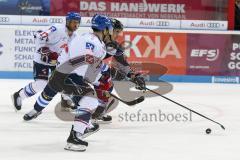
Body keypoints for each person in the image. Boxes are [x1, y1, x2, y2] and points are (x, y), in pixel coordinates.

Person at [23, 14, 113, 151]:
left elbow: (88, 68)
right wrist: (103, 68)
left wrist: (98, 81)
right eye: (109, 29)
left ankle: (83, 126)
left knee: (82, 100)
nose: (111, 33)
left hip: (65, 74)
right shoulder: (90, 40)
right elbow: (85, 58)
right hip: (67, 75)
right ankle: (74, 138)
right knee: (89, 100)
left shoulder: (95, 42)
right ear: (104, 29)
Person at [11, 12, 81, 111]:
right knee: (41, 83)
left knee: (64, 81)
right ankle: (19, 95)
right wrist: (44, 51)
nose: (76, 25)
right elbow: (38, 35)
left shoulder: (75, 37)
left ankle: (66, 101)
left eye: (78, 23)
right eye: (73, 22)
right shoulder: (57, 29)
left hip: (56, 62)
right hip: (42, 60)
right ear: (67, 21)